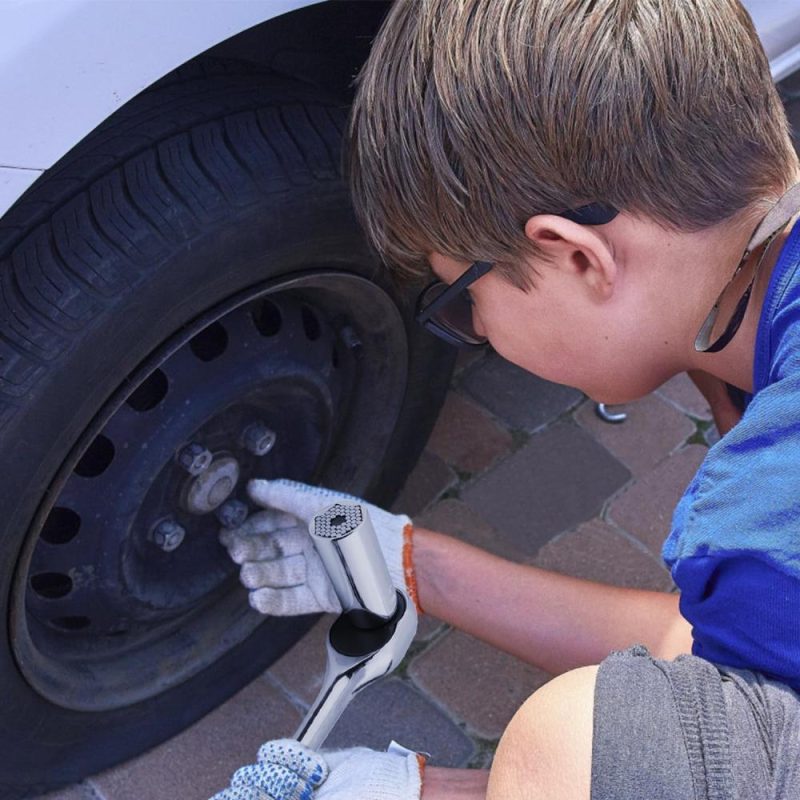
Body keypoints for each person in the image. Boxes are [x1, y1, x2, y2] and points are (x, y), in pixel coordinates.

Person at [211, 1, 800, 798]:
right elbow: (734, 671)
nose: (475, 329)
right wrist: (416, 568)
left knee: (570, 746)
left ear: (578, 258)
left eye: (462, 298)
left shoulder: (764, 512)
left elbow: (681, 735)